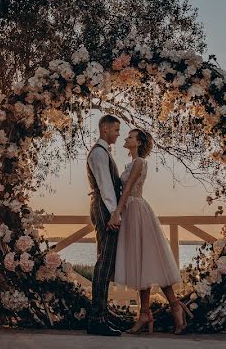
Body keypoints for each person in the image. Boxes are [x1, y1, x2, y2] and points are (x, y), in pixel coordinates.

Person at [111, 128, 192, 334]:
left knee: (149, 260)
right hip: (132, 211)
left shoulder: (139, 162)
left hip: (136, 211)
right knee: (141, 263)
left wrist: (116, 213)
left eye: (130, 136)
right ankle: (145, 312)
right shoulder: (132, 163)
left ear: (138, 143)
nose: (126, 138)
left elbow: (128, 189)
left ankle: (175, 306)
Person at [85, 114, 123, 336]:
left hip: (102, 206)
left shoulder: (103, 152)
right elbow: (106, 186)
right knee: (104, 261)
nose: (118, 134)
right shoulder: (99, 153)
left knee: (105, 261)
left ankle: (101, 316)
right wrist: (113, 215)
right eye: (116, 130)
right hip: (104, 207)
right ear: (106, 129)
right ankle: (97, 319)